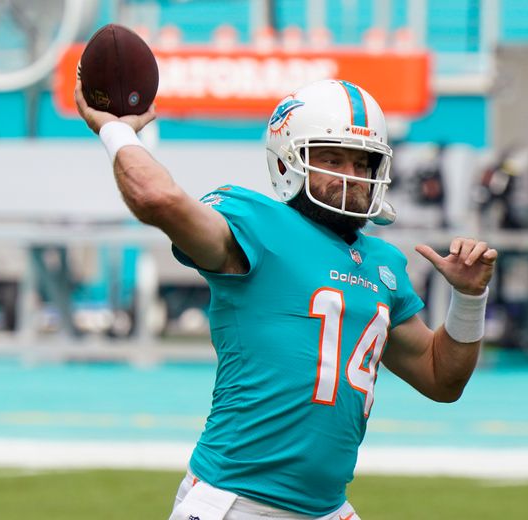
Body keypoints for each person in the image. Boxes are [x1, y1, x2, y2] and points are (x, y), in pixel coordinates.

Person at [75, 78, 497, 520]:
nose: (348, 177)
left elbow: (440, 379)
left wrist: (469, 298)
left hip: (328, 509)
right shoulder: (255, 223)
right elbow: (156, 197)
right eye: (332, 158)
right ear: (289, 161)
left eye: (361, 162)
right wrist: (115, 130)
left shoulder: (383, 263)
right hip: (237, 501)